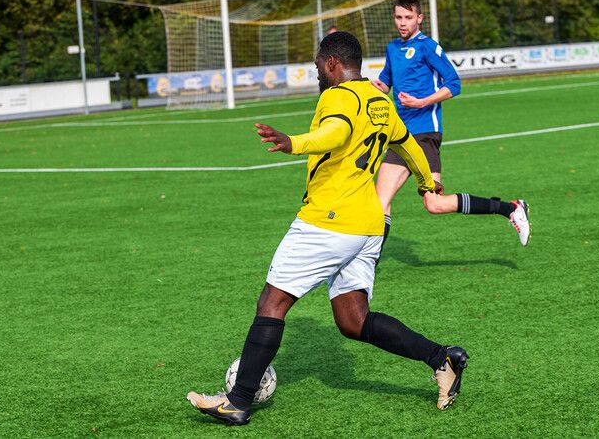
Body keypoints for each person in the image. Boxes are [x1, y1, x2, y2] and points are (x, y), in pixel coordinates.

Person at [187, 31, 468, 426]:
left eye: (319, 63)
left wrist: (295, 142)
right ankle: (442, 358)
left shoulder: (336, 96)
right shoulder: (379, 100)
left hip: (328, 223)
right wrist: (426, 182)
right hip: (368, 225)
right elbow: (408, 145)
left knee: (273, 303)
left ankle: (238, 400)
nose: (317, 70)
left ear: (333, 63)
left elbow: (335, 132)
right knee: (354, 321)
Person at [371, 0, 531, 248]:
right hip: (400, 135)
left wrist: (422, 102)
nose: (402, 23)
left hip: (425, 133)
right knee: (379, 202)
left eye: (408, 17)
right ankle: (369, 263)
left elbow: (454, 84)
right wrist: (371, 85)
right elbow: (386, 84)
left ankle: (509, 209)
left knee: (434, 204)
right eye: (398, 17)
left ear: (419, 18)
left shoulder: (428, 47)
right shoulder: (392, 48)